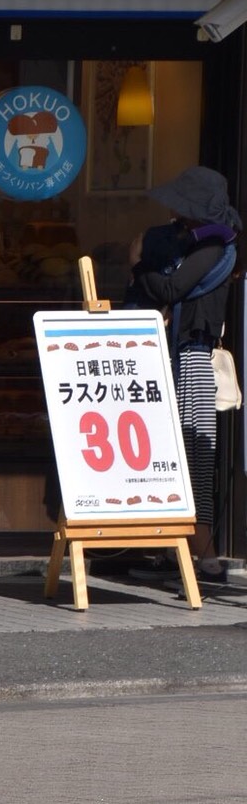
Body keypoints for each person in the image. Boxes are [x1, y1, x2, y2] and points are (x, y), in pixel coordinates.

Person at [126, 165, 241, 586]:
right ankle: (175, 550)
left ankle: (202, 553)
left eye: (184, 208)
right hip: (181, 353)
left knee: (193, 453)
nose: (176, 216)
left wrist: (139, 264)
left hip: (193, 355)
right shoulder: (199, 241)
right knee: (177, 452)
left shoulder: (213, 245)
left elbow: (171, 290)